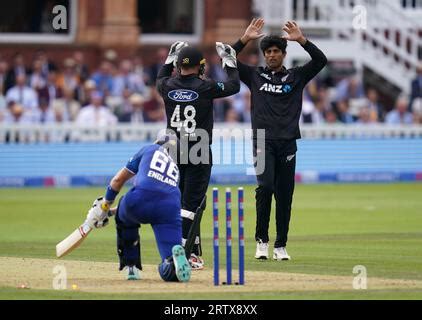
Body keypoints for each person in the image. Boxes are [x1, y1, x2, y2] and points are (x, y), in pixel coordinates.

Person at [232, 18, 327, 261]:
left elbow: (321, 61)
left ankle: (280, 245)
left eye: (276, 51)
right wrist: (245, 39)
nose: (272, 55)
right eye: (268, 51)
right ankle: (262, 241)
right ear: (264, 55)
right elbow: (226, 58)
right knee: (265, 188)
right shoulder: (255, 75)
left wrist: (302, 40)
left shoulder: (296, 76)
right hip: (262, 140)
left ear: (284, 54)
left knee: (285, 195)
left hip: (287, 142)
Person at [156, 41, 240, 269]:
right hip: (198, 150)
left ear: (177, 65)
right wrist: (230, 61)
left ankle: (191, 252)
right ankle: (182, 254)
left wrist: (168, 59)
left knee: (178, 203)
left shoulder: (166, 85)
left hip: (172, 152)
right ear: (199, 66)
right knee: (191, 205)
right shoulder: (205, 87)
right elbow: (234, 86)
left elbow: (159, 79)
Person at [84, 134, 192, 282]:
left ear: (158, 143)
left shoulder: (150, 149)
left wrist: (104, 207)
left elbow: (118, 180)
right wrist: (108, 213)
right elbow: (158, 197)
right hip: (170, 208)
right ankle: (173, 261)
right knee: (170, 272)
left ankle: (131, 267)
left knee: (124, 218)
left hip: (141, 199)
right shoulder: (175, 169)